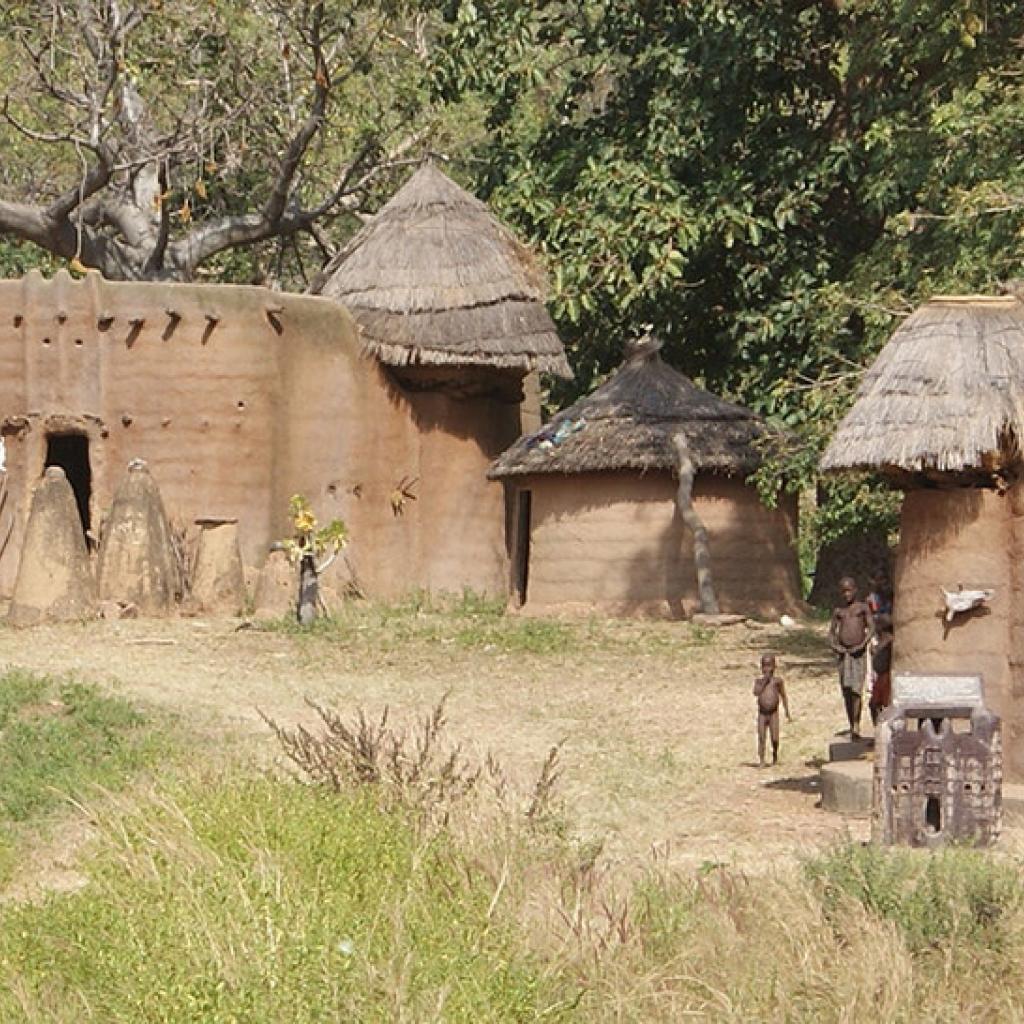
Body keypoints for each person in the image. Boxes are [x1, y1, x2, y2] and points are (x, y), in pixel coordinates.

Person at [829, 576, 874, 740]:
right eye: (843, 591)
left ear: (855, 590)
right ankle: (850, 723)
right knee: (846, 690)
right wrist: (836, 647)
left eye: (849, 590)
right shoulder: (839, 611)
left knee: (856, 690)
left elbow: (871, 628)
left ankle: (856, 723)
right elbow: (831, 633)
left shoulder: (862, 608)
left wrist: (862, 645)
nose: (846, 594)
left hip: (858, 654)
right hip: (844, 655)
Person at [753, 653, 791, 767]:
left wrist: (787, 711)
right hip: (762, 714)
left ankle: (775, 754)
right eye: (765, 666)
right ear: (761, 667)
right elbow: (756, 692)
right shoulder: (758, 681)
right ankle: (762, 759)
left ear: (774, 667)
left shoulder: (777, 681)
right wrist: (764, 681)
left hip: (774, 713)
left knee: (775, 737)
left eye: (770, 666)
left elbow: (783, 696)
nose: (767, 669)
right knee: (761, 736)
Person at [869, 611, 893, 725]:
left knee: (882, 704)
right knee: (874, 704)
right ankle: (878, 729)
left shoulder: (889, 640)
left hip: (886, 676)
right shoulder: (882, 640)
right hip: (880, 676)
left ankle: (883, 729)